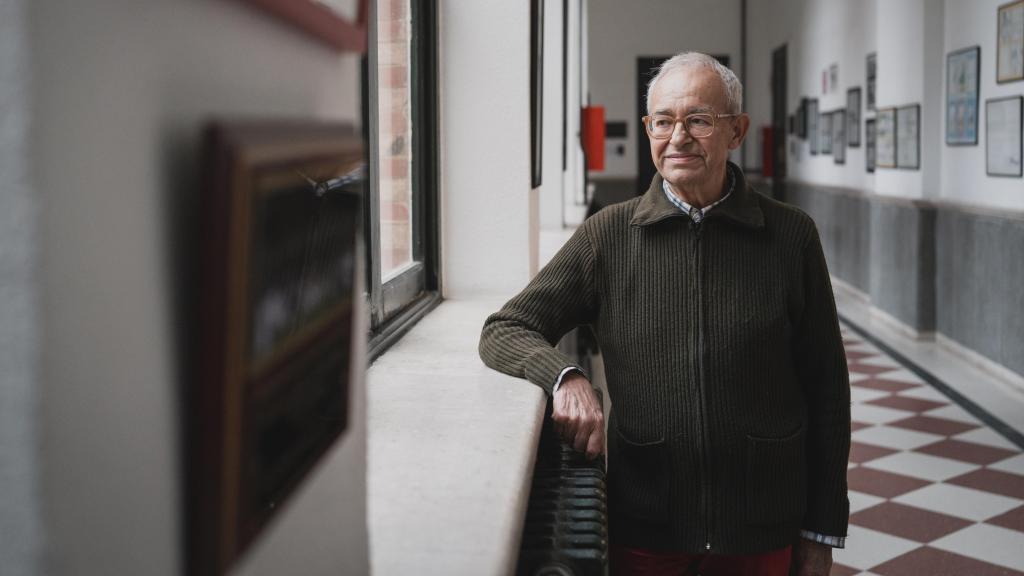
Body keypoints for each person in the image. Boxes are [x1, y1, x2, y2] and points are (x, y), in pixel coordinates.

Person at [479, 52, 849, 576]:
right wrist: (564, 376)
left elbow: (828, 385)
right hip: (646, 522)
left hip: (763, 522)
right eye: (663, 121)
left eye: (698, 119)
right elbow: (506, 327)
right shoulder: (607, 236)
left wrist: (821, 527)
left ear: (736, 131)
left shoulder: (790, 236)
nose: (679, 137)